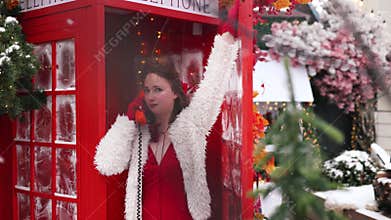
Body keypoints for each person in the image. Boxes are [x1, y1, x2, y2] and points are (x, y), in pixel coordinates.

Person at [94, 32, 239, 220]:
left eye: (158, 90)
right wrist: (128, 120)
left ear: (175, 93)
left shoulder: (191, 125)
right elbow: (107, 164)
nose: (151, 96)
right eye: (147, 90)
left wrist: (225, 44)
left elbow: (212, 88)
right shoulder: (139, 133)